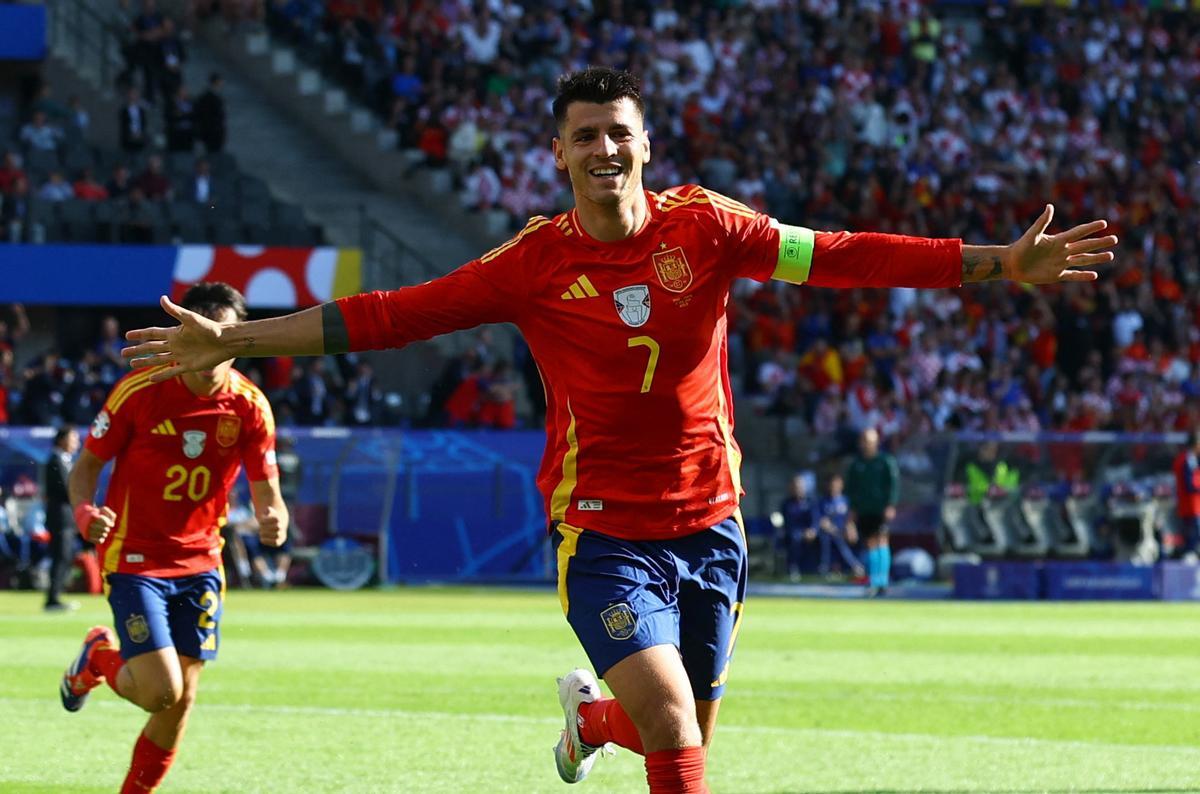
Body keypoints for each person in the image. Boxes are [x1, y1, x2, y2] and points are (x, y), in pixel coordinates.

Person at [120, 67, 1117, 792]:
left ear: (646, 142)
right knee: (676, 724)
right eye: (585, 134)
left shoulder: (710, 228)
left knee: (673, 735)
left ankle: (590, 722)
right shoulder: (532, 263)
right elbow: (391, 313)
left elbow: (849, 255)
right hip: (602, 530)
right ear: (557, 153)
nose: (604, 149)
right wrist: (239, 336)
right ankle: (615, 719)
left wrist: (996, 263)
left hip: (712, 523)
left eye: (619, 132)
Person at [60, 282, 287, 794]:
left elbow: (268, 490)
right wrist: (83, 510)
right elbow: (87, 465)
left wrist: (276, 516)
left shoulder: (250, 406)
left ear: (238, 339)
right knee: (161, 692)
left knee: (181, 701)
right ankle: (98, 653)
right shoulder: (140, 392)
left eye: (224, 335)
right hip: (135, 557)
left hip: (204, 563)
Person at [845, 428, 899, 597]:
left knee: (881, 541)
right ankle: (875, 580)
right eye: (865, 441)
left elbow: (893, 484)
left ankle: (881, 581)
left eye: (870, 441)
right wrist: (852, 510)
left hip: (880, 509)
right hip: (864, 509)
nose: (867, 444)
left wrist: (890, 504)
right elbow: (851, 489)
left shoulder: (885, 461)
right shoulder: (857, 464)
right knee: (870, 543)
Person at [44, 426, 82, 612]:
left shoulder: (65, 460)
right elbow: (66, 490)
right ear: (61, 440)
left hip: (67, 518)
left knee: (65, 556)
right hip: (60, 518)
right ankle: (53, 599)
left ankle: (55, 597)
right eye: (73, 438)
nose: (77, 443)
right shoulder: (55, 460)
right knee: (61, 556)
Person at [817, 473, 864, 579]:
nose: (834, 487)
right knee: (832, 538)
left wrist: (851, 528)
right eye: (832, 484)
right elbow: (822, 521)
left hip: (844, 531)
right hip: (830, 532)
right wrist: (835, 530)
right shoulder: (822, 501)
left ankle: (858, 567)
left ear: (841, 485)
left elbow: (851, 519)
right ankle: (853, 566)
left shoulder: (846, 501)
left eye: (836, 484)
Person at [776, 474, 819, 581]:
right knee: (794, 537)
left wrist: (812, 530)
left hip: (809, 532)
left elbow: (815, 519)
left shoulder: (810, 502)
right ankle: (792, 568)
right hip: (792, 533)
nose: (797, 488)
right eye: (795, 486)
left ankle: (822, 568)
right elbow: (784, 522)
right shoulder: (786, 503)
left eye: (799, 486)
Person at [1172, 429, 1200, 559]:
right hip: (1192, 507)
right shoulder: (1188, 460)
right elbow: (1190, 485)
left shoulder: (1182, 458)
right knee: (1192, 542)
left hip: (1186, 506)